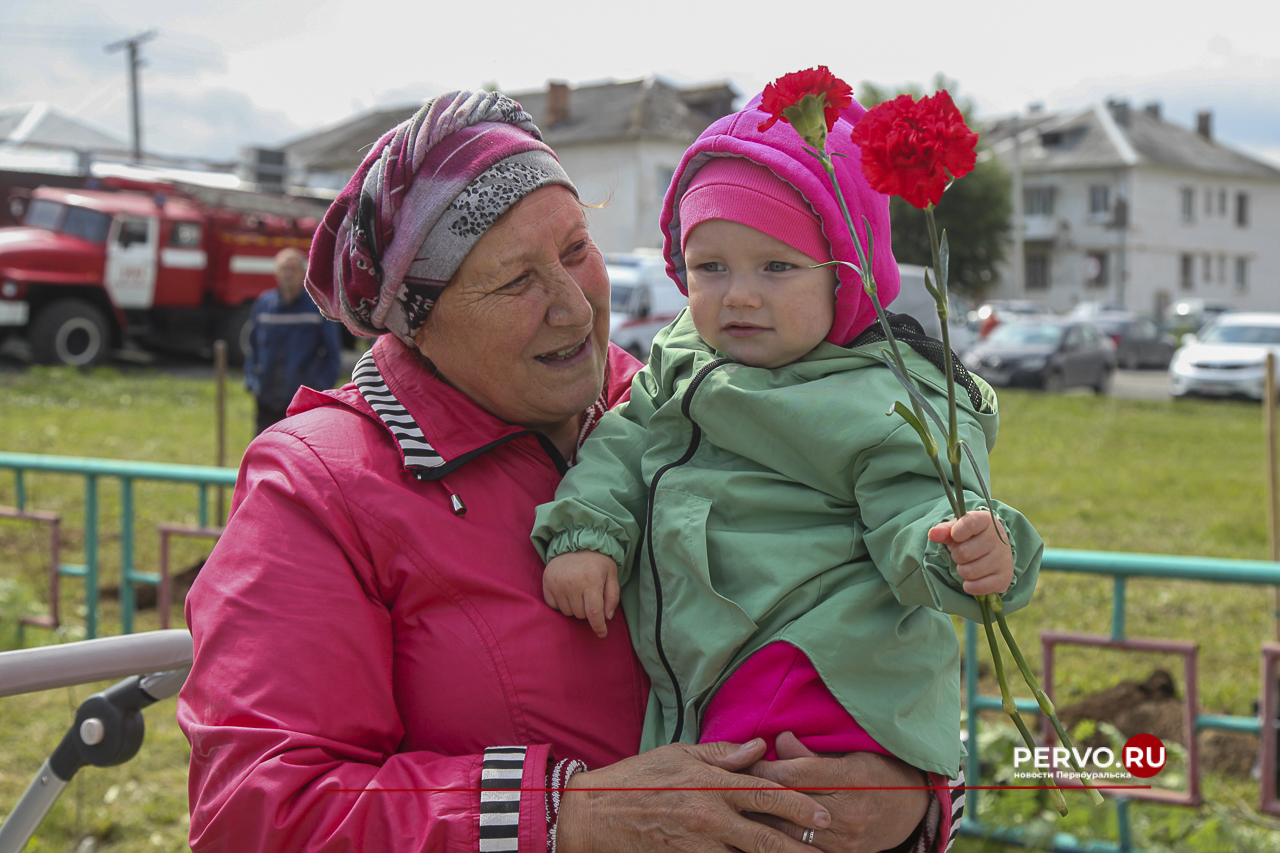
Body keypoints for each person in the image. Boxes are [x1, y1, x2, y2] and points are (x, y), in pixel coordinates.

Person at [178, 90, 937, 853]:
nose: (574, 306)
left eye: (576, 248)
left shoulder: (680, 403)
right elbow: (258, 812)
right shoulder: (318, 487)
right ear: (419, 322)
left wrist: (912, 795)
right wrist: (569, 812)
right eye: (516, 281)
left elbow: (869, 612)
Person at [533, 90, 1045, 850]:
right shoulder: (678, 362)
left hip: (818, 661)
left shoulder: (883, 391)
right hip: (722, 664)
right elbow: (620, 444)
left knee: (752, 811)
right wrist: (587, 531)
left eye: (776, 266)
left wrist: (965, 549)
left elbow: (917, 501)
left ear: (849, 273)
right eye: (710, 266)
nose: (739, 294)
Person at [243, 246, 342, 433]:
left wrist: (320, 386)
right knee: (263, 453)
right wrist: (251, 380)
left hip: (300, 402)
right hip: (266, 398)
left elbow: (332, 353)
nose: (287, 274)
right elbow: (253, 346)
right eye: (283, 269)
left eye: (293, 269)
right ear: (276, 273)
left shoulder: (316, 307)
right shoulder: (264, 304)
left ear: (303, 273)